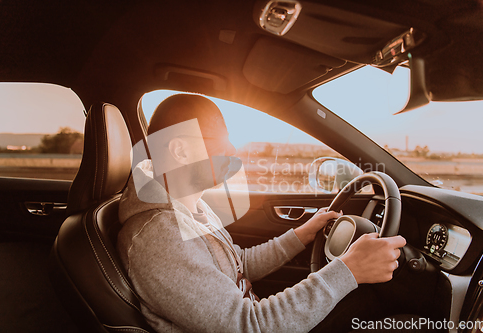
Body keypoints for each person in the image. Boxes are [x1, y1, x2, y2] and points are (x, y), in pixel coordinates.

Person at [117, 94, 406, 332]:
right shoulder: (159, 236)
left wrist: (303, 233)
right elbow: (249, 326)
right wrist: (349, 270)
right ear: (180, 150)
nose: (231, 148)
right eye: (219, 136)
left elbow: (237, 263)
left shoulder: (188, 208)